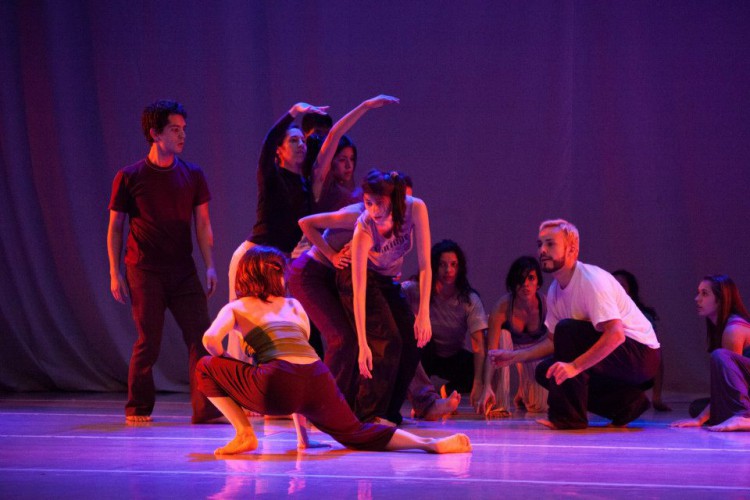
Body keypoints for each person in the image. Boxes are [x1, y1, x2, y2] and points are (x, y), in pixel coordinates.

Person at [196, 246, 471, 455]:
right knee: (357, 431)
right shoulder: (294, 306)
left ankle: (244, 432)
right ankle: (431, 444)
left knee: (205, 366)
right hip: (317, 378)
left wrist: (230, 363)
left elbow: (210, 340)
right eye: (281, 272)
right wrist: (303, 439)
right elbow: (299, 362)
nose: (284, 278)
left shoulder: (237, 307)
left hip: (277, 384)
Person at [107, 100, 220, 424]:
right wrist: (115, 272)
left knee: (202, 335)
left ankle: (206, 409)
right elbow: (115, 228)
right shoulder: (130, 177)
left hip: (182, 270)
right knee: (149, 339)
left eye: (184, 129)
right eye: (175, 129)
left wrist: (209, 264)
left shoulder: (193, 175)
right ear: (155, 134)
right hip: (144, 269)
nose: (182, 135)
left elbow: (202, 224)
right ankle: (138, 407)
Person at [489, 219, 661, 430]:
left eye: (550, 244)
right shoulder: (554, 290)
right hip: (618, 354)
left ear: (572, 250)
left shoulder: (591, 281)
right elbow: (554, 343)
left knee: (567, 333)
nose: (542, 250)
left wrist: (574, 366)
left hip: (642, 355)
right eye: (540, 244)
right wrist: (515, 357)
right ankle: (626, 404)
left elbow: (616, 335)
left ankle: (569, 418)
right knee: (547, 371)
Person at [227, 102, 329, 300]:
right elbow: (269, 141)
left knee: (277, 327)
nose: (301, 144)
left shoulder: (306, 185)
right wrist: (293, 112)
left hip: (280, 261)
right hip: (253, 256)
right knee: (243, 327)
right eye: (293, 141)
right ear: (278, 150)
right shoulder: (271, 177)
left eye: (302, 141)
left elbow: (328, 145)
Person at [402, 240, 487, 418]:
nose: (448, 270)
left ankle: (446, 391)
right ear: (434, 266)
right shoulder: (416, 289)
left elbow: (478, 344)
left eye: (453, 265)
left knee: (481, 369)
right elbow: (394, 293)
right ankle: (424, 402)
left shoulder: (468, 299)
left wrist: (478, 383)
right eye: (442, 265)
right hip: (424, 351)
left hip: (452, 355)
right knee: (412, 347)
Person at [671, 275, 750, 431]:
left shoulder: (733, 330)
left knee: (720, 355)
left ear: (721, 299)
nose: (697, 299)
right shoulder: (723, 326)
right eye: (698, 292)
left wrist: (701, 419)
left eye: (704, 294)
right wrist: (700, 418)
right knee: (697, 407)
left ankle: (745, 417)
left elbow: (732, 386)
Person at [478, 256, 549, 417]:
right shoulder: (503, 306)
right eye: (520, 279)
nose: (525, 284)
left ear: (538, 282)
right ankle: (501, 404)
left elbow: (552, 344)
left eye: (531, 278)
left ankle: (523, 393)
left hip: (534, 351)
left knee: (539, 406)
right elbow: (492, 351)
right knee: (503, 335)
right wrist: (487, 385)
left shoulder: (546, 305)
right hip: (509, 350)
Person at [612, 269, 671, 412]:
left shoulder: (642, 318)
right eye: (612, 285)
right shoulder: (601, 314)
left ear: (630, 292)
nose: (616, 290)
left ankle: (634, 399)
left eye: (621, 286)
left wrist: (656, 397)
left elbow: (657, 356)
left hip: (636, 371)